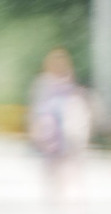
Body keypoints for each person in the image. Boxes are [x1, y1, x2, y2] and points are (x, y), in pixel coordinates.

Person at [26, 47, 93, 205]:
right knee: (59, 167)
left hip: (62, 131)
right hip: (54, 132)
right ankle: (62, 195)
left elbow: (37, 108)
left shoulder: (65, 82)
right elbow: (36, 108)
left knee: (66, 167)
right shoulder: (48, 83)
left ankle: (68, 197)